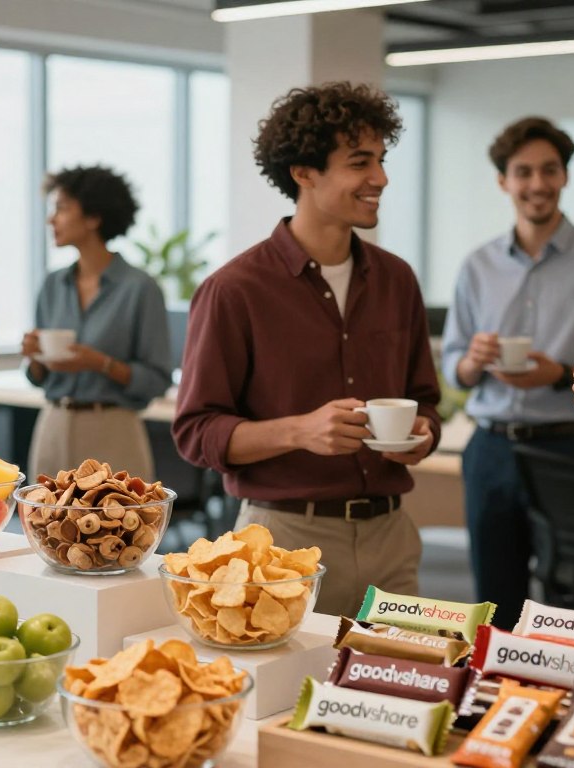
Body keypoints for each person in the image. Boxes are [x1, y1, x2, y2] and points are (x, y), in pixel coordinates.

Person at [174, 82, 440, 618]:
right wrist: (301, 431)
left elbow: (424, 400)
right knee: (286, 699)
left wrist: (421, 437)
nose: (380, 179)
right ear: (304, 172)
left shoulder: (397, 280)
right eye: (360, 162)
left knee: (394, 692)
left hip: (392, 538)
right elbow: (196, 432)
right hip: (281, 540)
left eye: (382, 161)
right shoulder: (235, 290)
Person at [440, 116, 574, 628]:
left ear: (565, 176)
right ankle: (498, 697)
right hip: (489, 450)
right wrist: (473, 360)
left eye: (549, 170)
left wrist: (559, 374)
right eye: (523, 172)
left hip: (566, 450)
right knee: (493, 601)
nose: (537, 184)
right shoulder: (476, 266)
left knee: (573, 602)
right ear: (503, 181)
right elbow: (454, 369)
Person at [21, 166, 172, 481]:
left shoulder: (140, 288)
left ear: (93, 218)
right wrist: (35, 356)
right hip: (53, 423)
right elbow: (37, 377)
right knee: (45, 526)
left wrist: (99, 363)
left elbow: (157, 379)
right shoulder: (52, 285)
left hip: (113, 430)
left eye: (61, 209)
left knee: (119, 527)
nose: (52, 219)